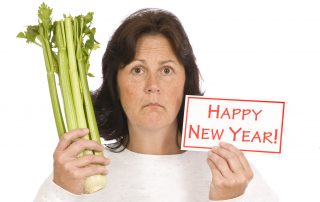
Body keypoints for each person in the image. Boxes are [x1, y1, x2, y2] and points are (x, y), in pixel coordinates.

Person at [34, 8, 278, 202]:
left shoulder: (235, 175)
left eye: (167, 70)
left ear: (186, 81)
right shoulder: (80, 174)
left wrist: (230, 201)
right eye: (137, 70)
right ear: (114, 84)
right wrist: (61, 192)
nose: (153, 85)